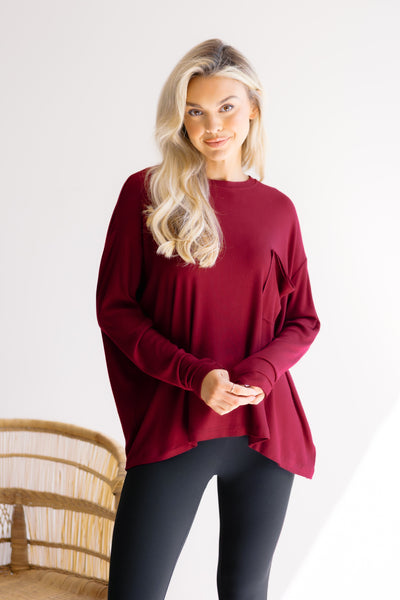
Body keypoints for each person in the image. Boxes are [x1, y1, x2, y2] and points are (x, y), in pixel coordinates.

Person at [96, 38, 320, 600]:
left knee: (246, 590)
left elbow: (303, 319)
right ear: (180, 118)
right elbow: (115, 309)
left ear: (253, 111)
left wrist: (259, 374)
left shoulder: (279, 209)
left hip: (264, 432)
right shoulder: (148, 193)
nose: (212, 125)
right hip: (177, 426)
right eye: (195, 111)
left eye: (226, 107)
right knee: (135, 591)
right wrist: (197, 377)